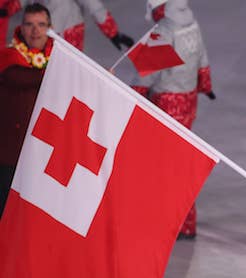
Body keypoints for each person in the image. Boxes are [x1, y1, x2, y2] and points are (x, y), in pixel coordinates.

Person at [131, 0, 215, 240]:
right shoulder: (190, 23)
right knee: (178, 161)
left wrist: (131, 95)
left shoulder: (164, 29)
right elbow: (202, 56)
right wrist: (204, 84)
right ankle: (186, 222)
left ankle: (172, 222)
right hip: (188, 102)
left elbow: (146, 72)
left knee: (166, 165)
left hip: (167, 103)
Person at [0, 2, 52, 218]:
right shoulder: (8, 56)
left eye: (41, 24)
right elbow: (18, 78)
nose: (35, 30)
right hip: (8, 158)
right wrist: (58, 71)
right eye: (29, 24)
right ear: (20, 27)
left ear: (50, 28)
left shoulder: (57, 60)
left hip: (40, 159)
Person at [0, 0, 133, 51]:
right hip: (42, 32)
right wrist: (8, 9)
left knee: (66, 72)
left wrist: (112, 32)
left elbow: (93, 5)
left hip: (67, 32)